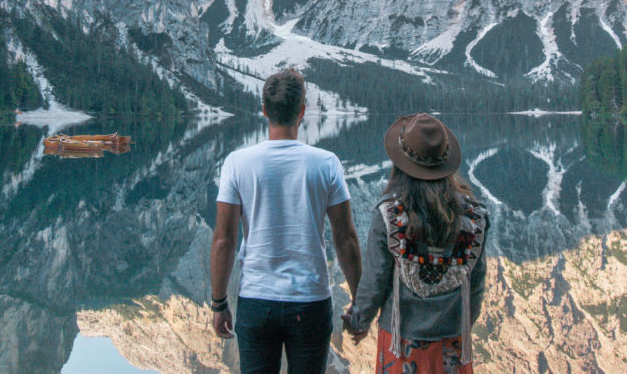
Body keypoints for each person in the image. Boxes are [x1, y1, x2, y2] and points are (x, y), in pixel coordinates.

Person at [209, 68, 363, 373]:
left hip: (256, 300)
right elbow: (345, 238)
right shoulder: (327, 164)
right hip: (311, 300)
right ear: (302, 111)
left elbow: (224, 241)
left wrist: (219, 303)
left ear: (264, 110)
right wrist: (360, 301)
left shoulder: (237, 163)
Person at [342, 113, 487, 374]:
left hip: (401, 340)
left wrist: (358, 321)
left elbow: (375, 280)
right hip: (453, 342)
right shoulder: (475, 218)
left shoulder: (389, 215)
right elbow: (475, 284)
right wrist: (465, 322)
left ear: (400, 164)